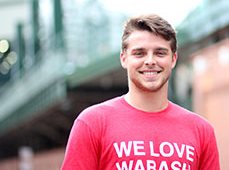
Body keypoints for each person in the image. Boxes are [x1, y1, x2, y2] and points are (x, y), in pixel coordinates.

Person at [62, 14, 220, 169]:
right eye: (139, 53)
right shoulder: (92, 123)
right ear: (124, 59)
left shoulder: (201, 131)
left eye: (160, 53)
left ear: (173, 59)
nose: (150, 61)